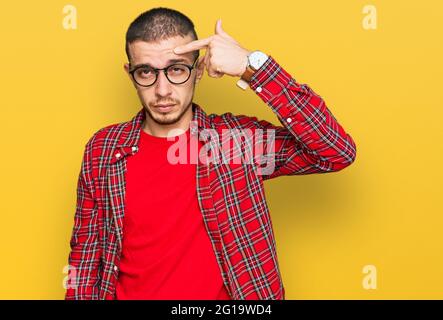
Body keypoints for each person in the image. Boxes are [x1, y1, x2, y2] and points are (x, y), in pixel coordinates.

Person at [65, 7, 357, 300]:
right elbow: (86, 258)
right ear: (130, 75)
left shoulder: (237, 142)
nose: (162, 90)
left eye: (177, 69)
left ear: (199, 70)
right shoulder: (103, 149)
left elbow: (335, 151)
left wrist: (252, 66)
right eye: (147, 72)